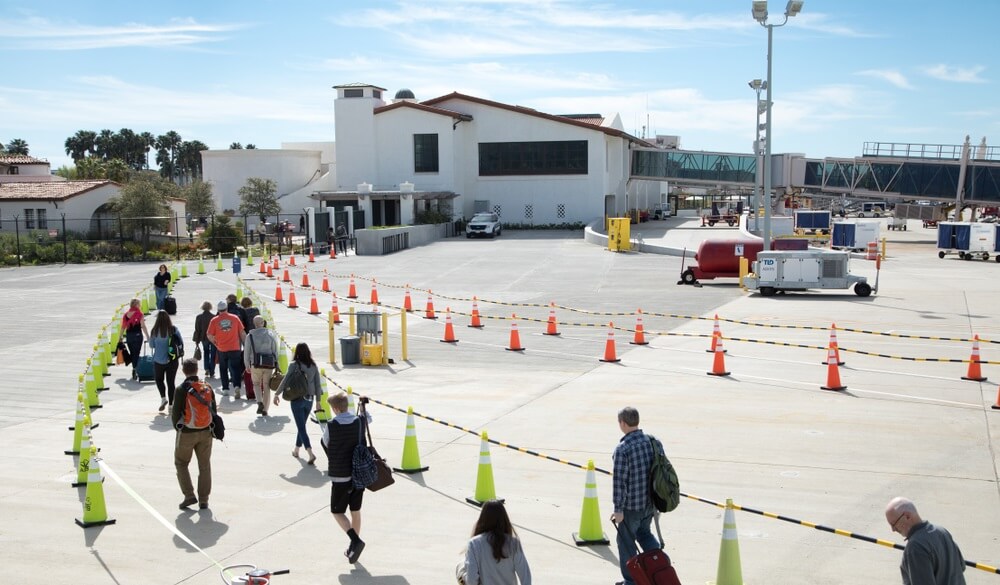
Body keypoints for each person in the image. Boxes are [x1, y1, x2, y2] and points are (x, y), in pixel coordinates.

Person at [610, 406, 662, 585]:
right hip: (650, 504)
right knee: (645, 534)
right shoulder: (653, 442)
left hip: (631, 507)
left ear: (623, 423)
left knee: (625, 542)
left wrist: (618, 509)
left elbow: (619, 483)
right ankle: (660, 566)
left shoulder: (622, 449)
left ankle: (631, 580)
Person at [324, 391, 372, 564]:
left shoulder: (331, 425)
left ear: (336, 409)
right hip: (359, 474)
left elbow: (326, 443)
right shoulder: (359, 421)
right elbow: (368, 418)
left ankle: (355, 541)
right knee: (355, 511)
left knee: (337, 511)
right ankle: (354, 549)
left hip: (341, 476)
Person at [885, 497, 966, 585]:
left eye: (894, 524)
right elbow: (961, 566)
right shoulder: (942, 531)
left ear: (907, 516)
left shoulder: (915, 547)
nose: (893, 529)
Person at [171, 358, 216, 510]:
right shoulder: (207, 386)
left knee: (181, 463)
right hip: (206, 431)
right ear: (197, 369)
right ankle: (204, 499)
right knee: (204, 466)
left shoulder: (181, 389)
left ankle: (189, 495)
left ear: (183, 371)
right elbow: (213, 410)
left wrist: (179, 430)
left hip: (187, 433)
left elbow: (175, 414)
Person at [459, 500, 532, 585]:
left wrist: (462, 576)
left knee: (460, 567)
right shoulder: (514, 543)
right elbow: (525, 577)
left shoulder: (474, 544)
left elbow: (472, 581)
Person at [274, 342, 323, 458]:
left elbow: (285, 380)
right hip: (309, 400)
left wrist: (277, 394)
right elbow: (318, 385)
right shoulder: (314, 366)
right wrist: (318, 402)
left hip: (296, 399)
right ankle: (296, 450)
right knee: (302, 426)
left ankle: (310, 453)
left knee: (301, 427)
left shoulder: (293, 365)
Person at [206, 300, 246, 398]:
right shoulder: (235, 318)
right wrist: (246, 344)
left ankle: (225, 389)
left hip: (222, 348)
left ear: (218, 310)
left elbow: (209, 334)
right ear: (226, 308)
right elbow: (242, 333)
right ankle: (237, 386)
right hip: (235, 347)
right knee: (236, 368)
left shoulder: (214, 320)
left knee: (223, 368)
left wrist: (215, 343)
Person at [244, 316, 278, 416]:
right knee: (267, 385)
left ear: (254, 324)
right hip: (268, 364)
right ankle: (265, 409)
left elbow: (246, 352)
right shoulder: (270, 334)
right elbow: (274, 350)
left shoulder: (250, 336)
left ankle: (259, 401)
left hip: (255, 363)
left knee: (256, 384)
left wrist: (247, 365)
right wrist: (276, 362)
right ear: (263, 322)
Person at [148, 311, 182, 412]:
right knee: (171, 382)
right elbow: (180, 342)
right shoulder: (174, 329)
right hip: (172, 360)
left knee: (159, 380)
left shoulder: (154, 331)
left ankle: (163, 398)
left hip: (158, 360)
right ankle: (171, 404)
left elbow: (151, 345)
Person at [121, 298, 150, 380]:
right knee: (136, 353)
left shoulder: (126, 314)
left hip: (129, 336)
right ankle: (135, 369)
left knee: (132, 353)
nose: (140, 306)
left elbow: (123, 327)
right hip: (138, 336)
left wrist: (120, 337)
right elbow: (143, 326)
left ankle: (134, 368)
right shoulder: (139, 314)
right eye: (139, 304)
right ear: (136, 305)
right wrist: (147, 336)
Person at [192, 301, 216, 379]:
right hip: (212, 338)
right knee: (213, 354)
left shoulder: (199, 317)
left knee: (206, 352)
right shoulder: (214, 316)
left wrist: (196, 340)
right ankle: (212, 370)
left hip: (203, 338)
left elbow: (197, 329)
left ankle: (206, 368)